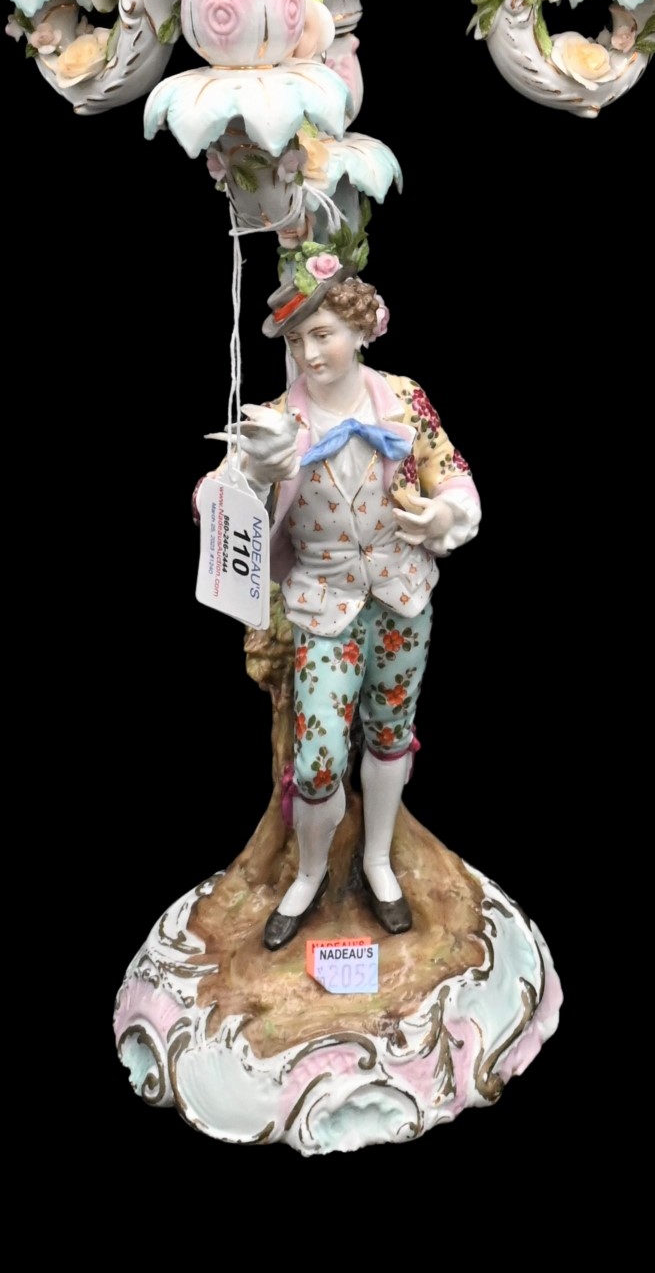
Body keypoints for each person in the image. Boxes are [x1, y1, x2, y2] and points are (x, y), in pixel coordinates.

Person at [208, 262, 481, 950]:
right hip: (322, 606)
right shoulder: (277, 421)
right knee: (319, 760)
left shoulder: (403, 399)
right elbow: (213, 504)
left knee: (391, 731)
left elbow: (451, 471)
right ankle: (307, 874)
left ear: (362, 329)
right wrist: (256, 472)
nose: (309, 353)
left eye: (322, 334)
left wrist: (445, 514)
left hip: (402, 594)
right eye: (296, 340)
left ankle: (379, 861)